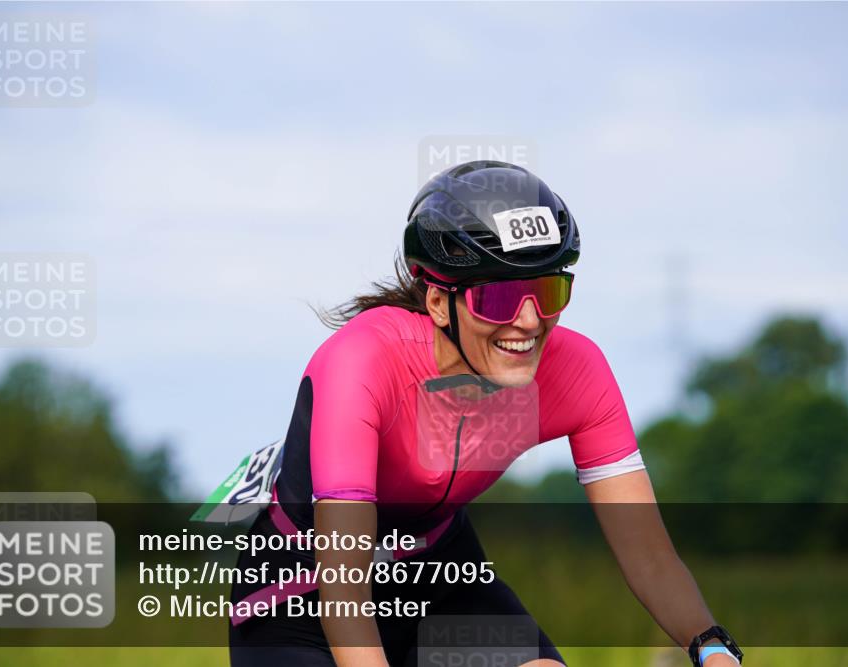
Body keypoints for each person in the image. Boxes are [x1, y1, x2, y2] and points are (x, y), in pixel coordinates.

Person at [228, 161, 742, 667]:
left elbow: (649, 556)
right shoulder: (361, 362)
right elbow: (345, 583)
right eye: (498, 297)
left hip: (442, 580)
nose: (528, 322)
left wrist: (712, 647)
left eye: (546, 292)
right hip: (305, 594)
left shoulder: (578, 370)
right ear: (436, 300)